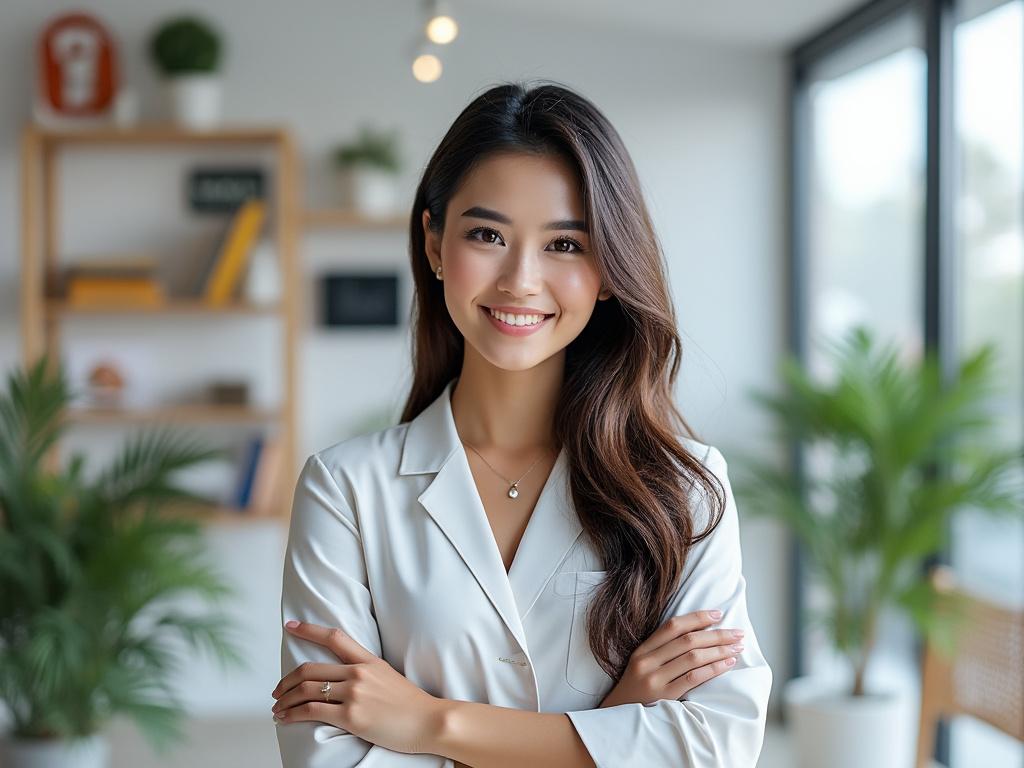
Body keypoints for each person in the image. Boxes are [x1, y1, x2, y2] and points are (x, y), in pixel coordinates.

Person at [272, 80, 772, 767]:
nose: (521, 280)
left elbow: (716, 747)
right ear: (434, 244)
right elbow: (326, 761)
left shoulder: (685, 487)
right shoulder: (345, 490)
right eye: (486, 234)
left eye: (565, 245)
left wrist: (431, 725)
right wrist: (617, 725)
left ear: (607, 270)